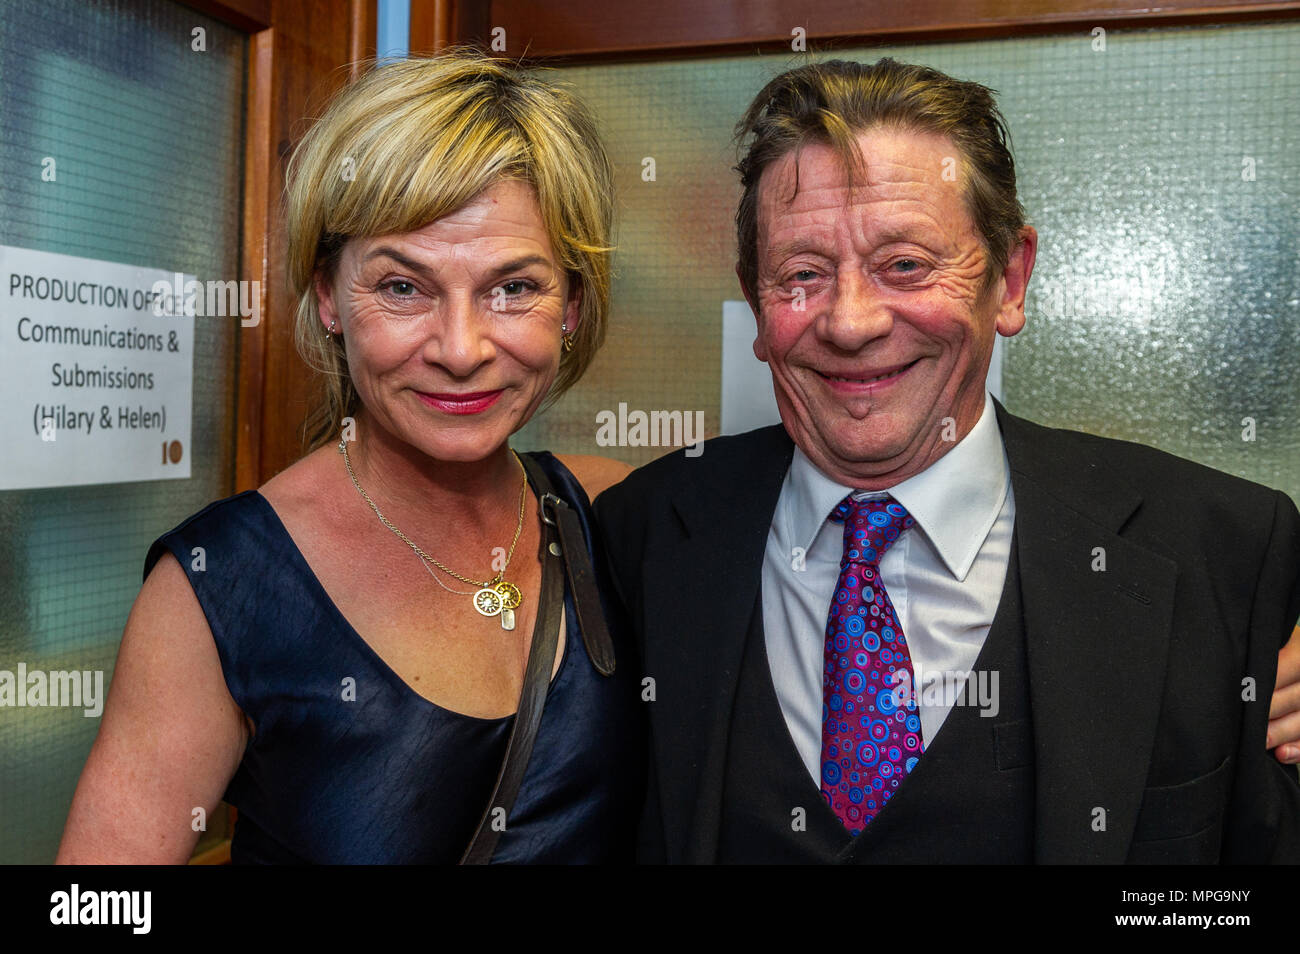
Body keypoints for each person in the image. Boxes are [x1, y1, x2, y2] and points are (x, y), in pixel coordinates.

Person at [594, 57, 1300, 863]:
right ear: (757, 304)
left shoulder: (1218, 552)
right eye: (802, 275)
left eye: (906, 265)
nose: (851, 322)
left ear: (1008, 279)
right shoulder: (643, 536)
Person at [56, 49, 641, 864]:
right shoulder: (222, 589)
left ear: (572, 305)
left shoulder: (621, 520)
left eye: (514, 288)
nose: (462, 348)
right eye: (403, 287)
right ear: (328, 295)